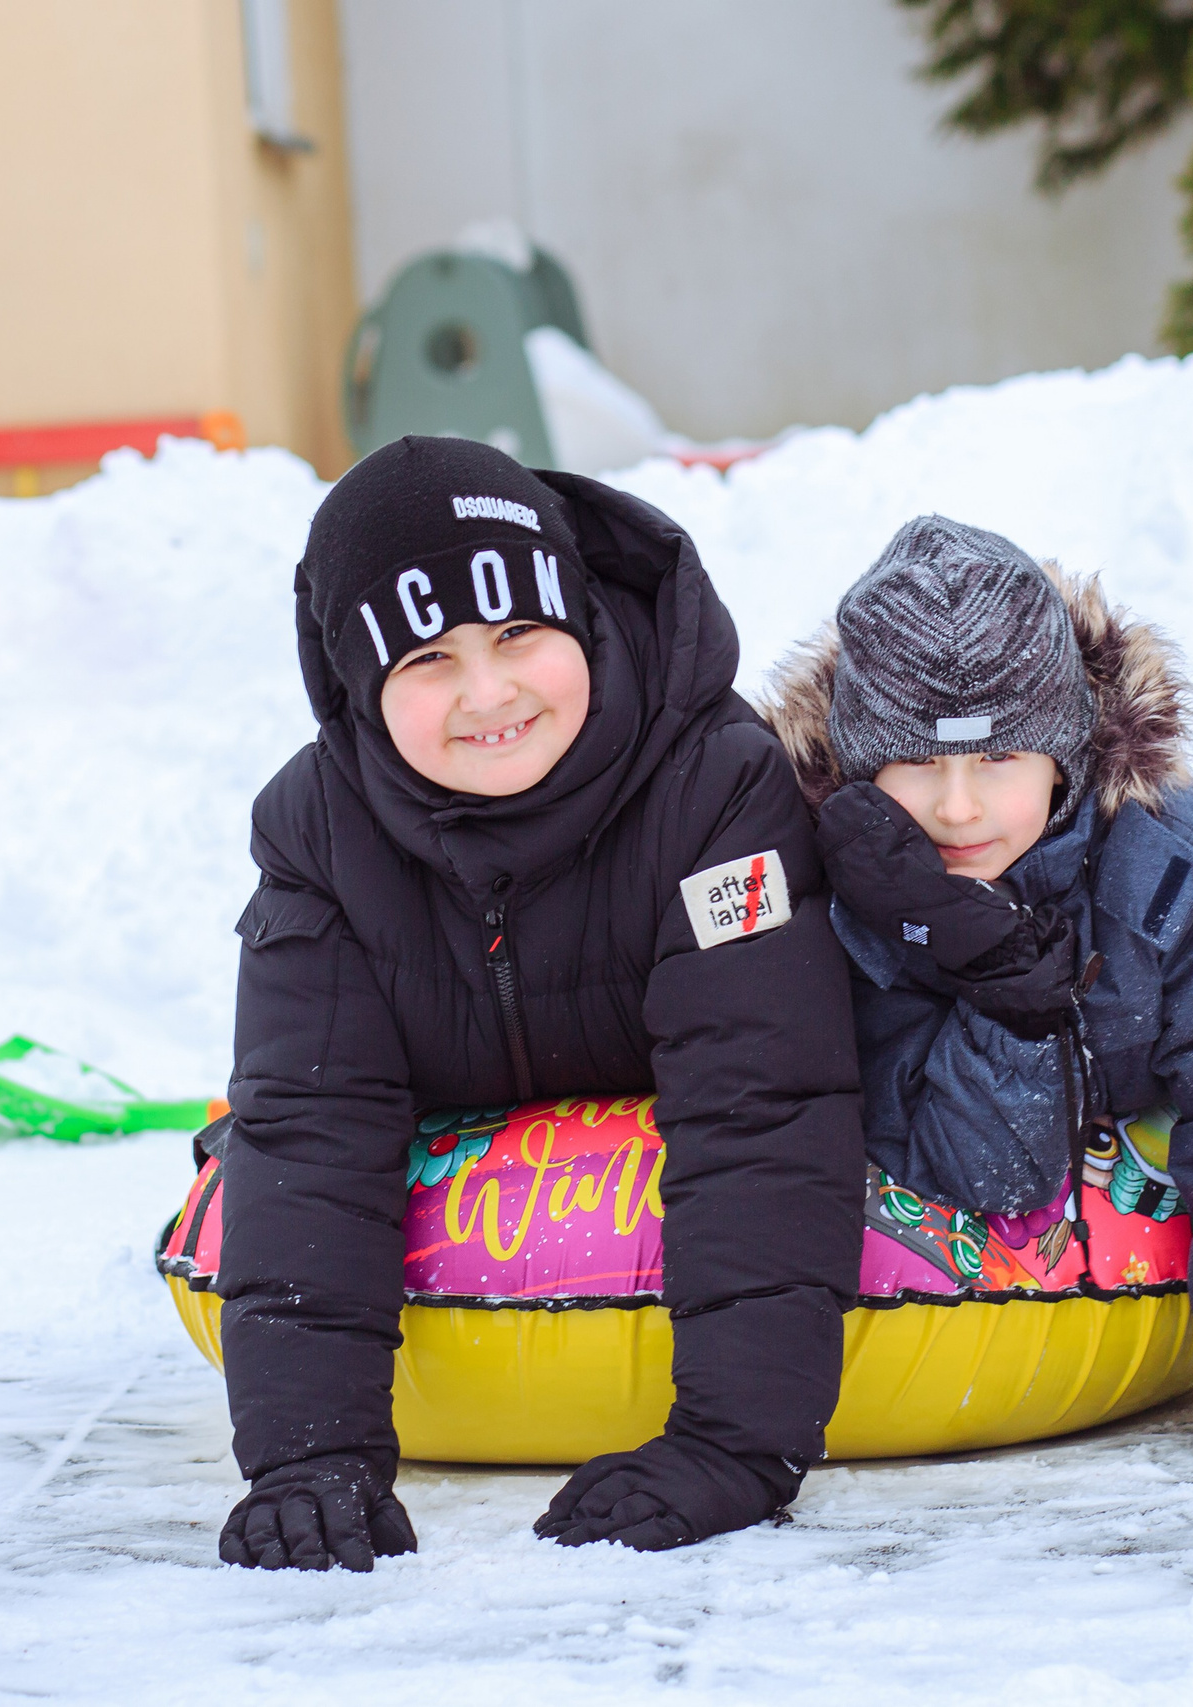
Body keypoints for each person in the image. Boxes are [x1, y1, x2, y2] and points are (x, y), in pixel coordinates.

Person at [216, 437, 862, 1571]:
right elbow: (311, 1131)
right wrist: (307, 1454)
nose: (489, 692)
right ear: (356, 691)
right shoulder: (318, 835)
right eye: (426, 660)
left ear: (579, 620)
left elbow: (761, 1102)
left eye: (518, 635)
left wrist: (735, 1444)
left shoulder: (715, 788)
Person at [762, 515, 1193, 1471]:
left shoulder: (1165, 849)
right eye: (919, 764)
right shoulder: (826, 882)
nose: (959, 807)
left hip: (1131, 1126)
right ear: (859, 764)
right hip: (965, 1176)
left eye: (997, 759)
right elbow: (964, 1175)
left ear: (1064, 751)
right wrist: (993, 982)